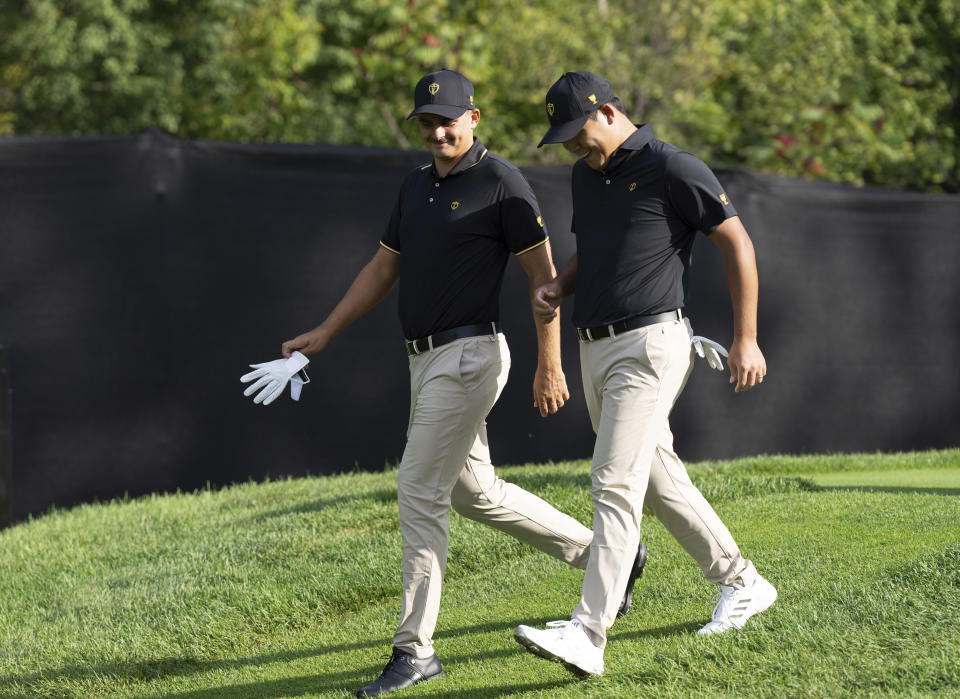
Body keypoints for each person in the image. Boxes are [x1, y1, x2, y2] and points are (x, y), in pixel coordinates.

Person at [271, 69, 648, 697]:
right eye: (426, 121)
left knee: (418, 488)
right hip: (424, 360)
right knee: (475, 493)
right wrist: (326, 331)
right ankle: (607, 554)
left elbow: (545, 278)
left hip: (470, 355)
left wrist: (548, 362)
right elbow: (382, 266)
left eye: (449, 119)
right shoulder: (414, 186)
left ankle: (414, 650)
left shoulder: (503, 182)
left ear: (474, 118)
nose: (438, 130)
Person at [513, 71, 777, 677]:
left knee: (612, 482)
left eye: (576, 132)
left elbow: (737, 244)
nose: (572, 146)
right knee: (656, 482)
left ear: (606, 112)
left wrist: (746, 339)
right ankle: (743, 582)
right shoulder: (587, 175)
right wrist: (560, 283)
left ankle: (588, 631)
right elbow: (598, 248)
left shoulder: (674, 167)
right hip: (594, 348)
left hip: (651, 346)